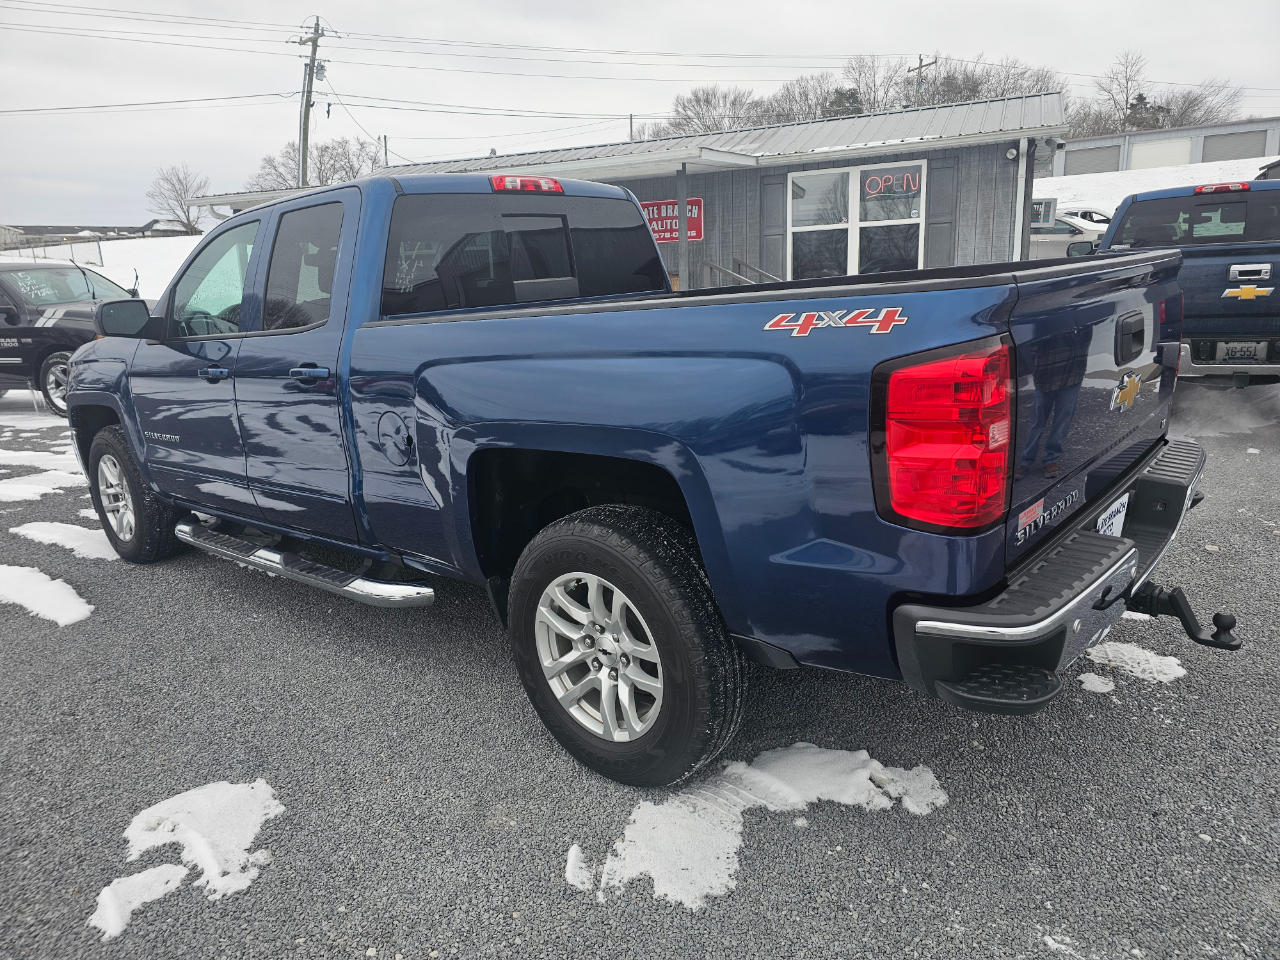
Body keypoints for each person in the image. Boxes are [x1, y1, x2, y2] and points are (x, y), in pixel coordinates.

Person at [1016, 328, 1089, 480]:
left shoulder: (1083, 320)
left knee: (1062, 420)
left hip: (1073, 375)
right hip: (1046, 374)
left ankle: (1051, 459)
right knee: (1038, 421)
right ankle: (1025, 461)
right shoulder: (1048, 321)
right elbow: (1030, 344)